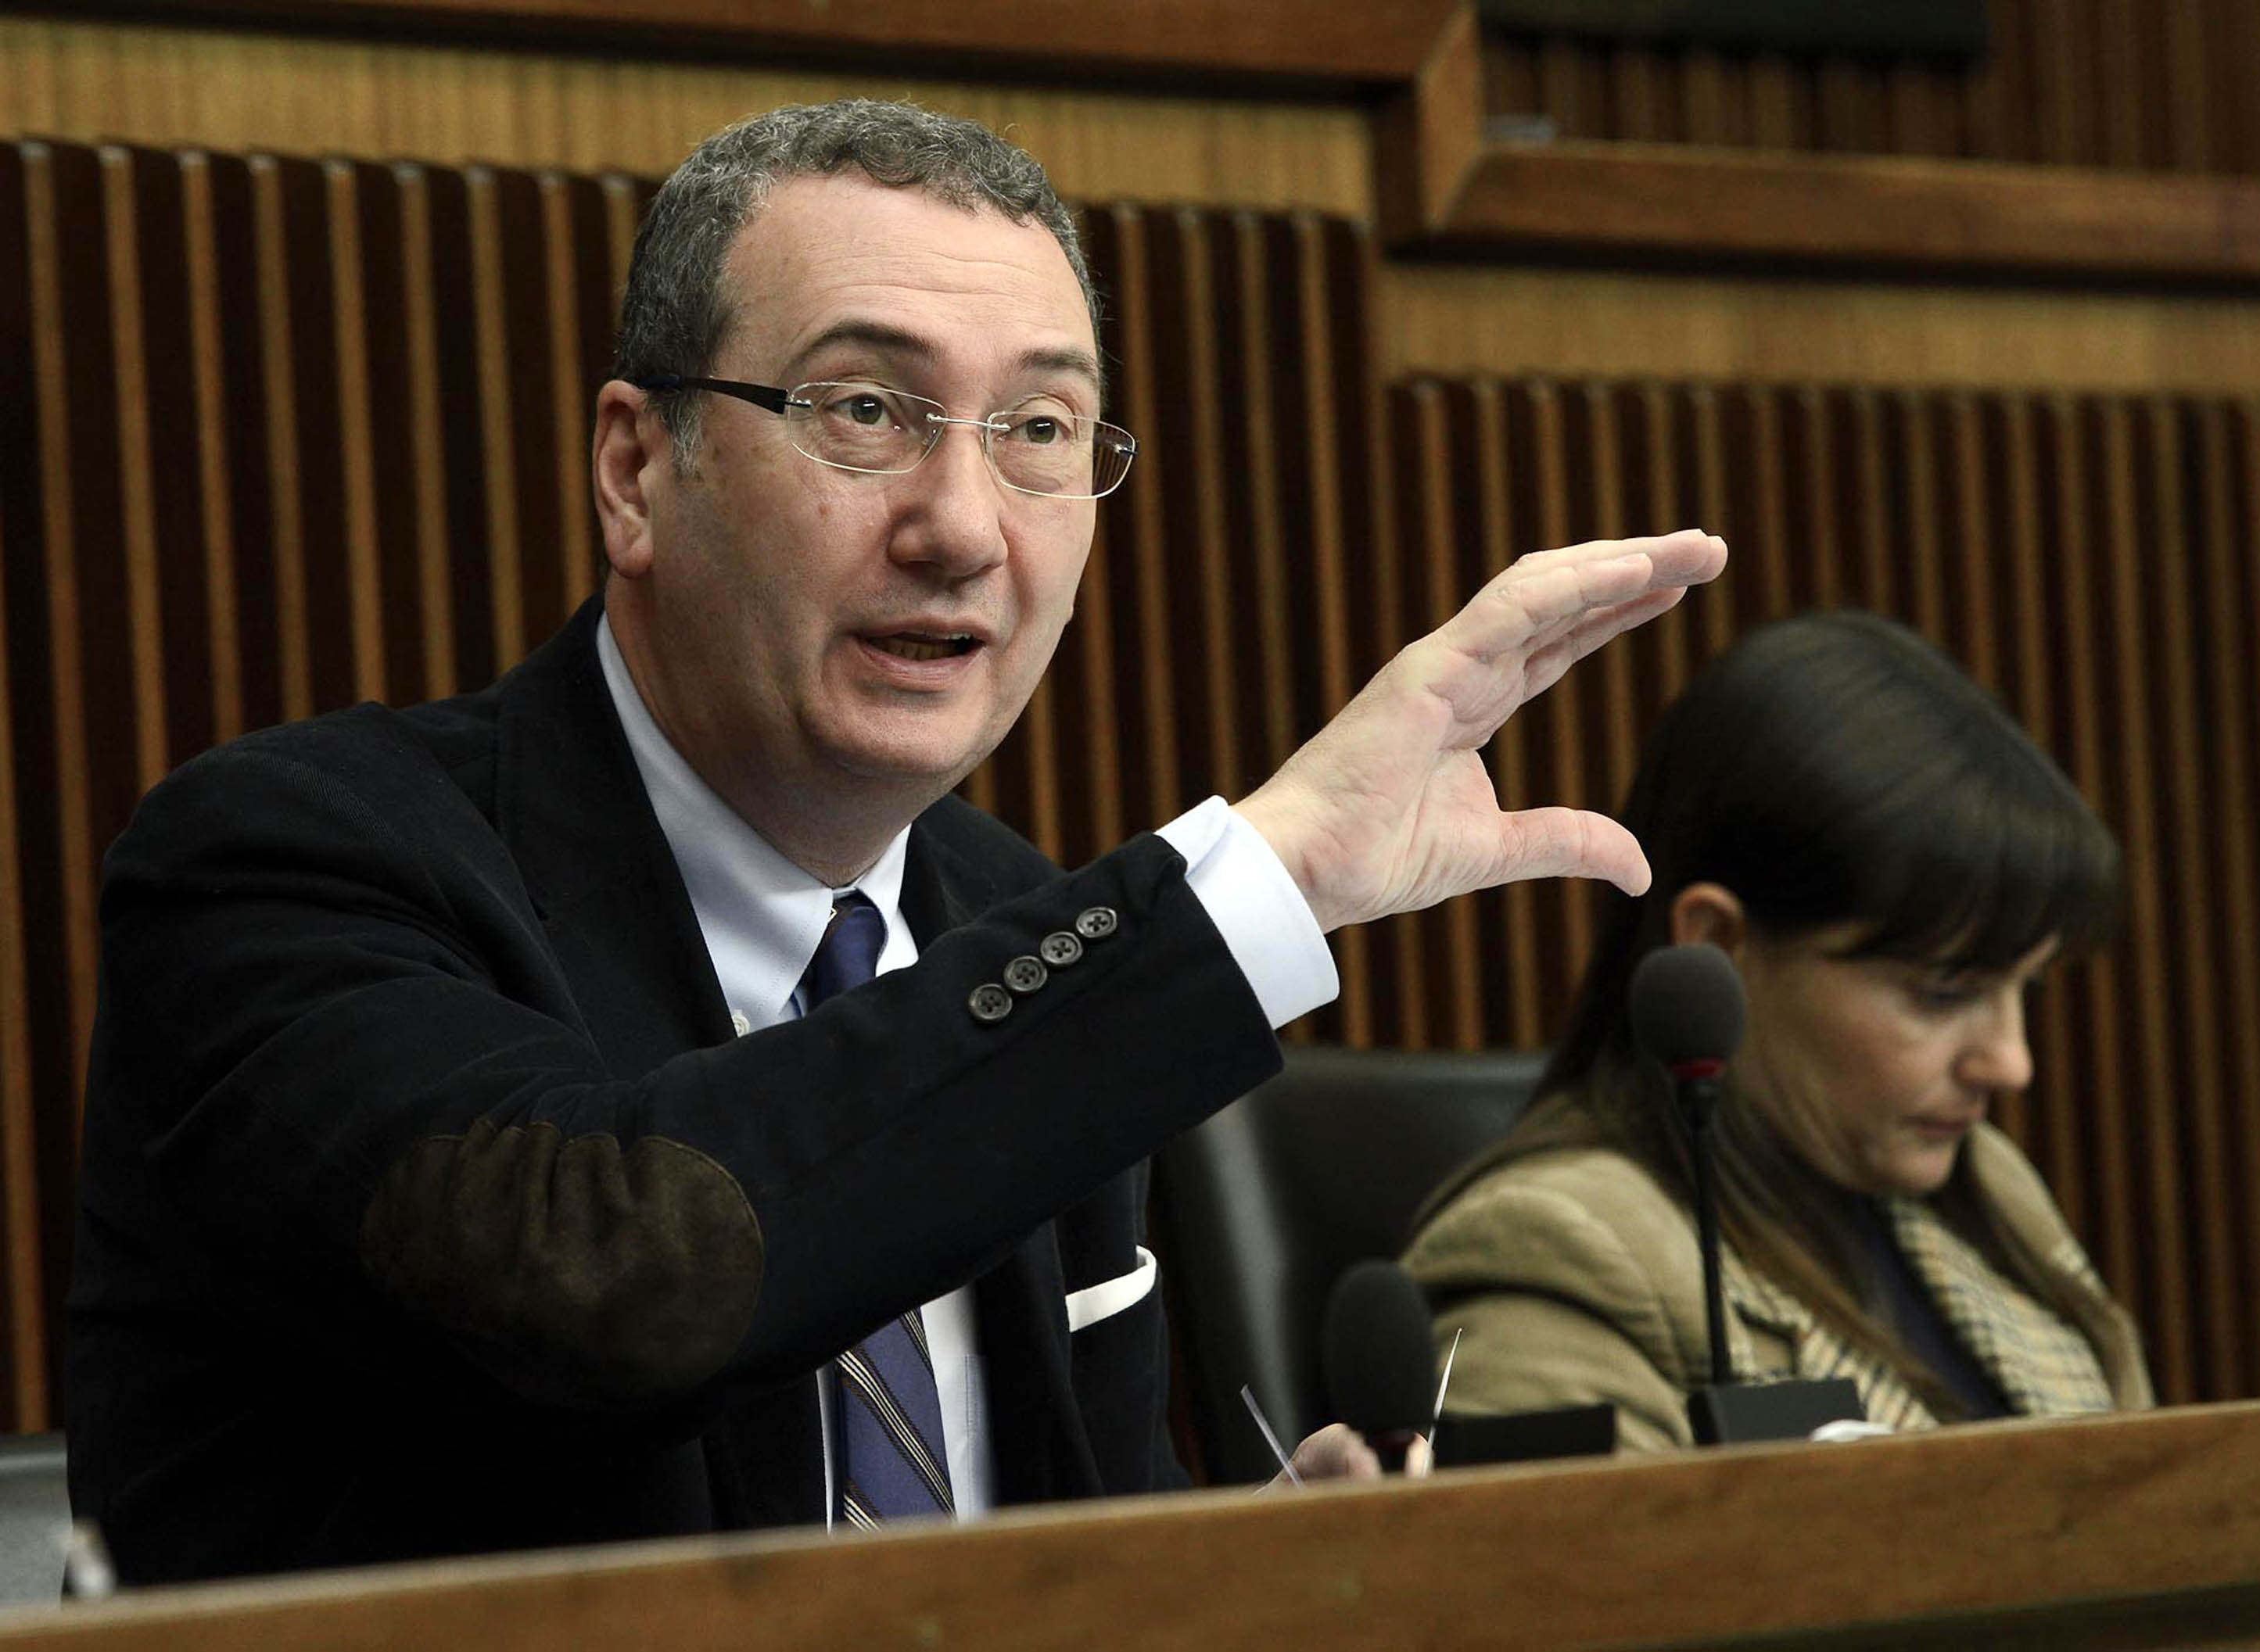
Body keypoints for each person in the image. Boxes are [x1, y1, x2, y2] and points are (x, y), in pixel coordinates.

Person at [64, 99, 1726, 1581]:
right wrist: (1261, 882)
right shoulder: (283, 865)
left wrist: (1256, 1573)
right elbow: (617, 1266)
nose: (960, 527)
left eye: (1041, 431)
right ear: (639, 470)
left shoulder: (1019, 927)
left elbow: (1066, 1551)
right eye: (865, 411)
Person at [1403, 611, 2153, 1451]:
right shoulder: (1557, 1255)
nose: (2011, 1063)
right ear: (1719, 946)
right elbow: (1582, 1583)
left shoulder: (1988, 1187)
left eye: (2028, 986)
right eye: (1944, 993)